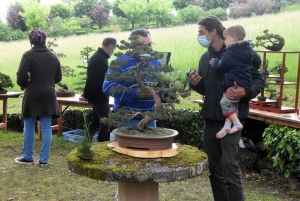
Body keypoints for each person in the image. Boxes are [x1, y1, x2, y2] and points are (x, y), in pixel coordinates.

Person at [189, 16, 265, 201]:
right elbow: (206, 88)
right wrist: (195, 84)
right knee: (215, 170)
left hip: (232, 121)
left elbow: (259, 80)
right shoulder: (205, 57)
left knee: (229, 166)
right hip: (210, 120)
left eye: (201, 32)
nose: (198, 35)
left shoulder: (239, 52)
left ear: (213, 32)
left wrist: (245, 91)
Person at [15, 29, 62, 166]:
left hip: (32, 94)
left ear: (31, 40)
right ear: (45, 40)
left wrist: (25, 83)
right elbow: (58, 77)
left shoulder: (28, 55)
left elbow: (21, 77)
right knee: (46, 127)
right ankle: (44, 160)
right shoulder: (53, 56)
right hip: (49, 94)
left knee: (29, 126)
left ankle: (28, 157)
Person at [209, 24, 261, 139]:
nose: (224, 42)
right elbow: (258, 61)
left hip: (235, 83)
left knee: (224, 102)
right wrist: (249, 66)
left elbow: (220, 66)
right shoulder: (250, 50)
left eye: (226, 39)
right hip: (245, 81)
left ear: (234, 38)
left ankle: (236, 124)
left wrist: (213, 62)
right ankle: (227, 126)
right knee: (230, 104)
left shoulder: (229, 53)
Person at [102, 28, 161, 127]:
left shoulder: (156, 62)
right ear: (133, 46)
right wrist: (134, 93)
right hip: (127, 119)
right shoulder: (120, 62)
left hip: (149, 119)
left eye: (150, 44)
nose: (149, 48)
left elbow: (160, 85)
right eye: (144, 46)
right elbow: (107, 86)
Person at [83, 37, 117, 142]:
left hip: (96, 94)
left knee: (96, 120)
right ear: (110, 46)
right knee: (105, 122)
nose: (114, 50)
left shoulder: (98, 56)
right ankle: (103, 145)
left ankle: (86, 143)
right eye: (114, 47)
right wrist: (85, 94)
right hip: (99, 95)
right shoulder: (100, 59)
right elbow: (92, 78)